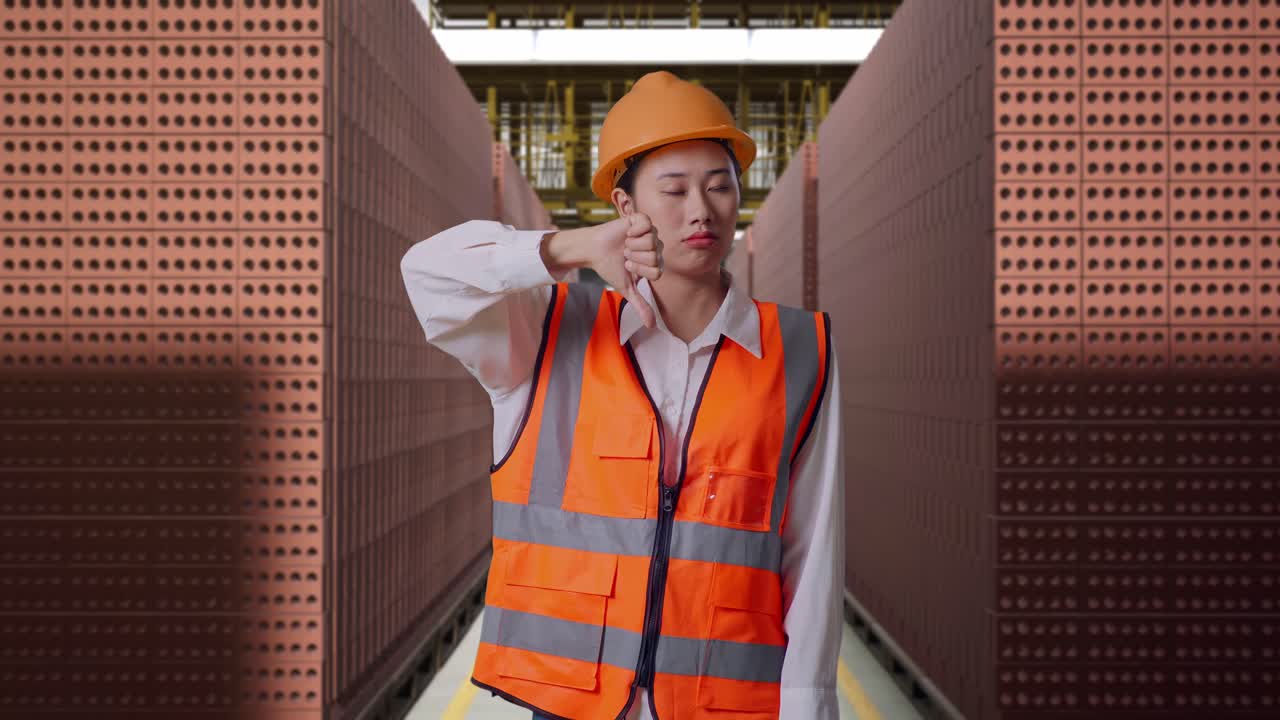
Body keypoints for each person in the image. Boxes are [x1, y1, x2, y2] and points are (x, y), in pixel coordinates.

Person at [400, 70, 844, 720]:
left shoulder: (800, 349)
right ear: (625, 205)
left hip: (724, 705)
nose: (701, 209)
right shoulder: (546, 333)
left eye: (720, 186)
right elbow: (428, 274)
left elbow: (812, 553)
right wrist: (570, 248)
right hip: (571, 703)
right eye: (675, 189)